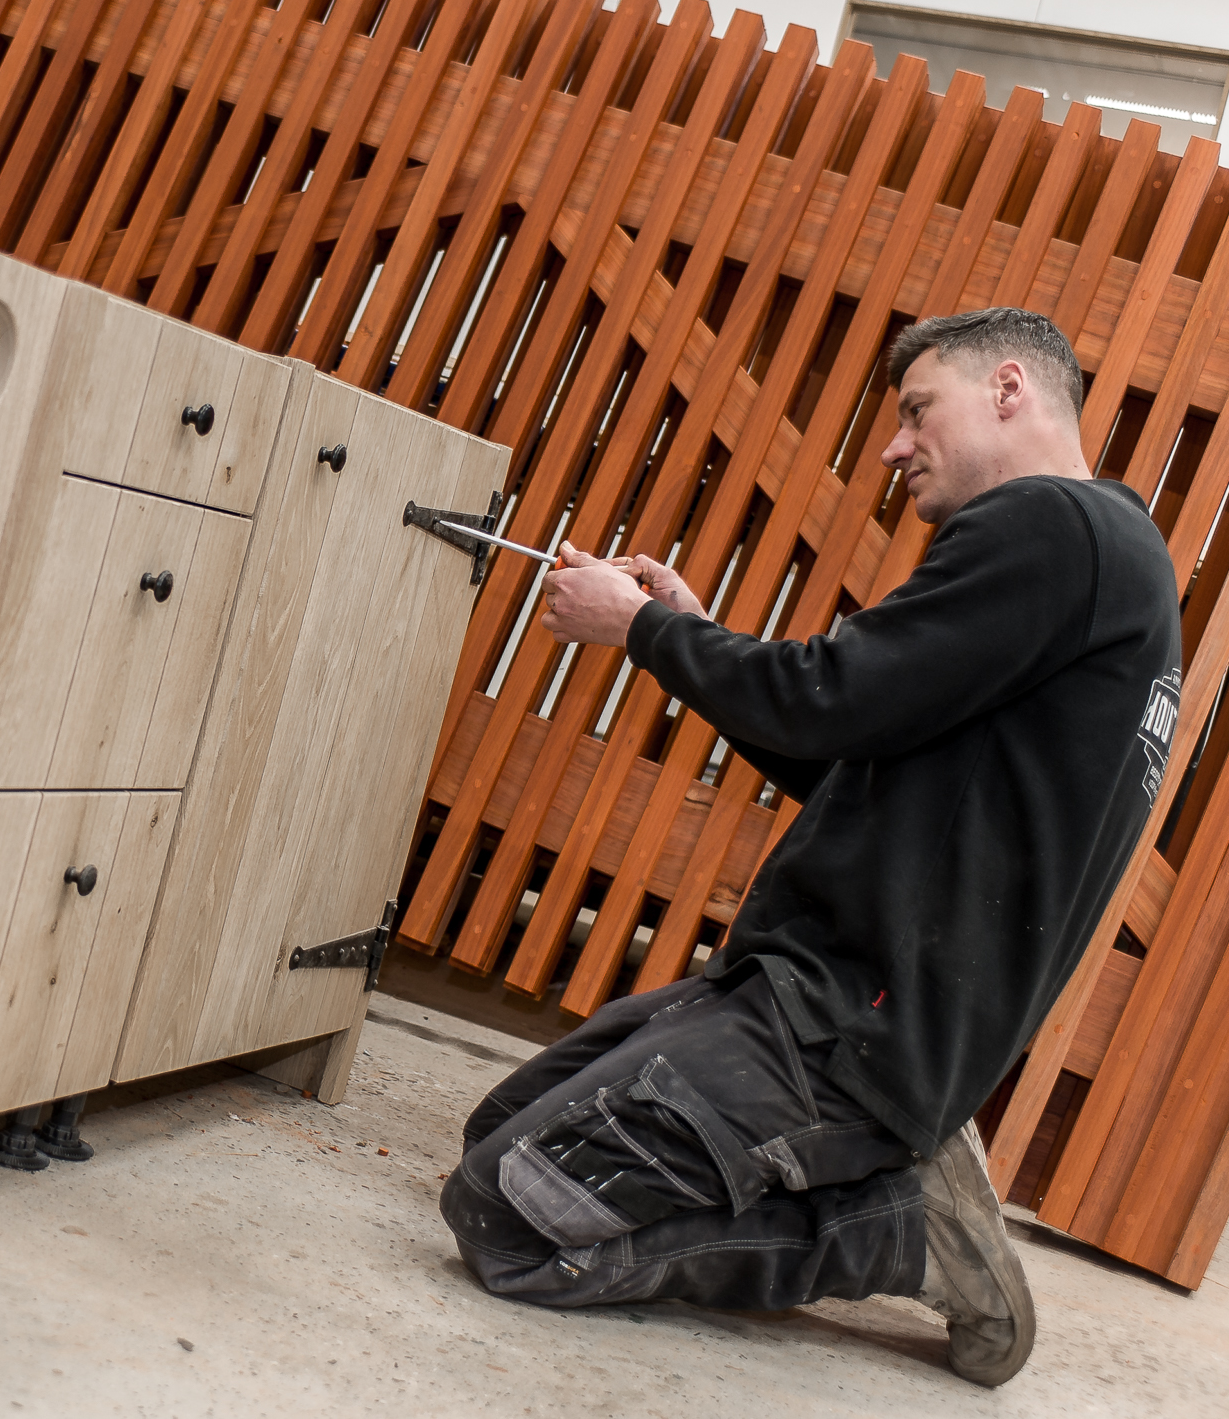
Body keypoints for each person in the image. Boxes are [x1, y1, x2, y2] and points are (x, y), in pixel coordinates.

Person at [438, 306, 1181, 1386]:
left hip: (845, 1031)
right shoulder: (1098, 561)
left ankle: (894, 1228)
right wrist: (687, 628)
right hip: (800, 993)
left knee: (506, 1215)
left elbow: (830, 701)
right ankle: (883, 1171)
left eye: (918, 409)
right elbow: (846, 750)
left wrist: (644, 630)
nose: (894, 445)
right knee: (495, 1131)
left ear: (1009, 390)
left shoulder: (1047, 529)